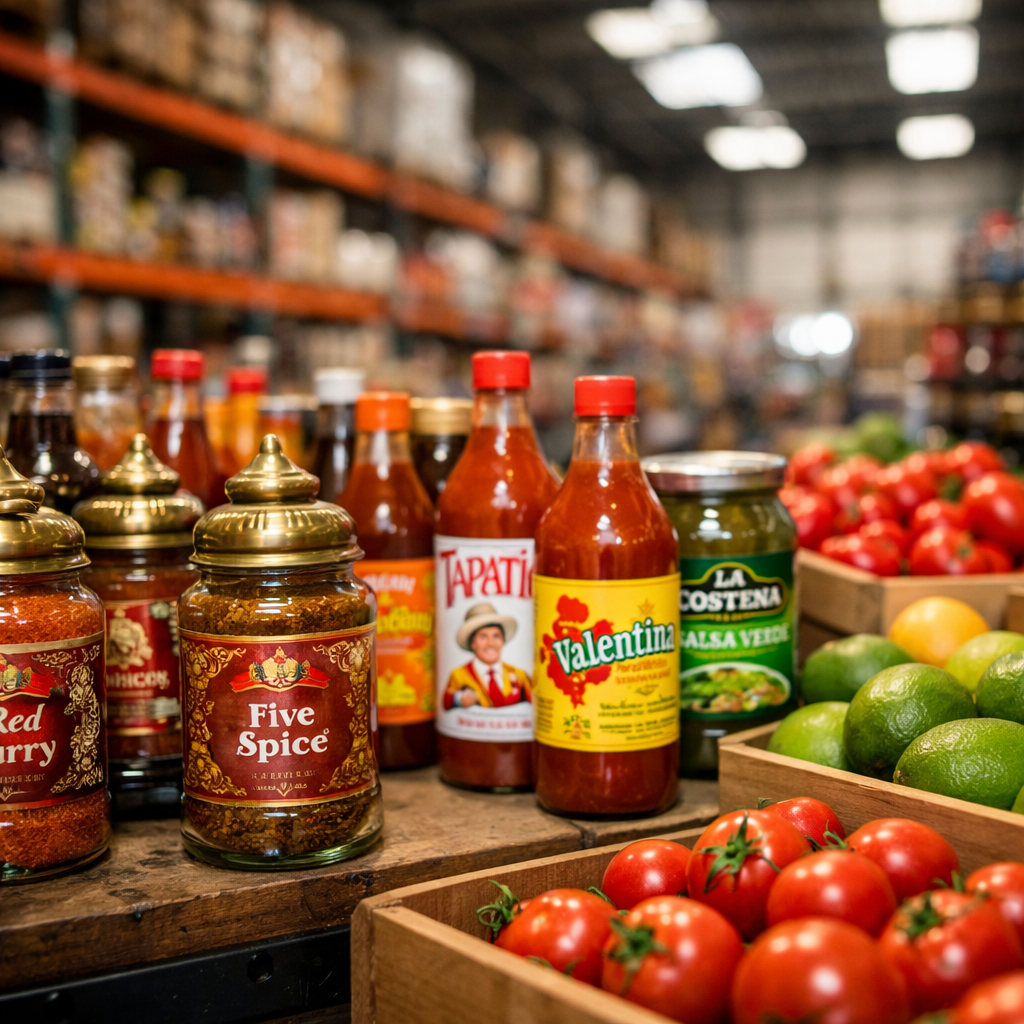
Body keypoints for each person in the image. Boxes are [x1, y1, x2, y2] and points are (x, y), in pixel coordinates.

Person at [443, 602, 531, 709]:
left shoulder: (519, 675)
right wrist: (459, 698)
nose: (491, 643)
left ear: (503, 641)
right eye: (483, 637)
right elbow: (445, 702)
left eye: (496, 636)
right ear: (473, 643)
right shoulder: (458, 675)